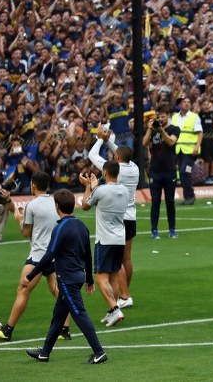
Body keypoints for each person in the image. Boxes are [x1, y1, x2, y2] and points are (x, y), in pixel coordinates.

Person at [24, 189, 107, 365]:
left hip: (67, 280)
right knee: (58, 316)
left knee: (79, 314)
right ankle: (45, 353)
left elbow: (49, 255)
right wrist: (89, 279)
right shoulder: (81, 226)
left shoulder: (60, 228)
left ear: (57, 207)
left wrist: (30, 275)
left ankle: (99, 352)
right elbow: (88, 255)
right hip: (78, 277)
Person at [0, 172, 65, 342]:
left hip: (38, 256)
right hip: (54, 254)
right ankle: (65, 330)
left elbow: (25, 232)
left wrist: (19, 219)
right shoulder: (55, 202)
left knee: (23, 290)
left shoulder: (32, 205)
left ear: (33, 185)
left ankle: (8, 330)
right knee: (58, 291)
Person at [89, 125, 140, 309]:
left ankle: (124, 295)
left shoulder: (115, 169)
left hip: (118, 216)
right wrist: (108, 140)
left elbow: (92, 156)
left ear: (117, 158)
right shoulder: (134, 168)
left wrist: (99, 139)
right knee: (127, 259)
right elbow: (121, 153)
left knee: (117, 262)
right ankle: (125, 295)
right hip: (131, 216)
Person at [79, 160, 129, 326]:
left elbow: (85, 205)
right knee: (113, 277)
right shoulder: (124, 190)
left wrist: (88, 186)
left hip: (105, 240)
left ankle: (115, 309)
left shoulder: (100, 190)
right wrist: (95, 187)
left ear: (105, 172)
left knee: (100, 278)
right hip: (120, 238)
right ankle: (111, 311)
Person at [144, 110, 180, 239]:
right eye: (159, 117)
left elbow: (171, 142)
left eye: (163, 117)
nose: (160, 119)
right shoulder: (153, 129)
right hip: (155, 170)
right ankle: (154, 230)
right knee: (155, 201)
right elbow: (144, 143)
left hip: (169, 170)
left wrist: (161, 131)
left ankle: (172, 229)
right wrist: (150, 129)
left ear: (168, 116)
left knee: (170, 201)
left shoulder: (174, 129)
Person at [172, 96, 202, 206]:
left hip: (190, 151)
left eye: (188, 102)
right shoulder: (175, 117)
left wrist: (197, 147)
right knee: (182, 173)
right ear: (180, 105)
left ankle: (190, 196)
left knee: (185, 172)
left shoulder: (194, 117)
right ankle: (187, 197)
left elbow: (200, 133)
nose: (187, 103)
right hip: (179, 150)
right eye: (184, 102)